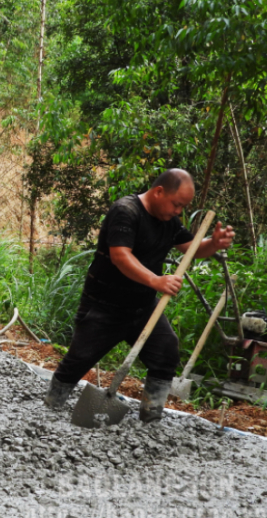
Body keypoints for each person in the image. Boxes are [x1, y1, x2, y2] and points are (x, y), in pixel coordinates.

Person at [44, 169, 235, 422]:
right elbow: (120, 256)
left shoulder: (169, 221)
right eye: (176, 204)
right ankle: (51, 406)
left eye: (182, 207)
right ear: (158, 192)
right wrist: (156, 280)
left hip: (143, 307)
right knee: (78, 359)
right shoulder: (126, 211)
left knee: (166, 351)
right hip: (105, 305)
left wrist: (213, 244)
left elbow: (191, 248)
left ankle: (151, 415)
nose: (178, 212)